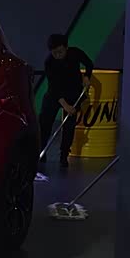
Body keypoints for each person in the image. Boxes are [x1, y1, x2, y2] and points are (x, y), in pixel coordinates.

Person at [39, 33, 94, 167]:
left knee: (69, 126)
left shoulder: (75, 53)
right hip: (54, 95)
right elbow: (54, 87)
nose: (58, 55)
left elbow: (89, 63)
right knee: (45, 123)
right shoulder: (49, 62)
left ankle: (64, 155)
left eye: (60, 52)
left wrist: (87, 77)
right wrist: (66, 106)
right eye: (54, 53)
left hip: (72, 93)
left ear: (66, 48)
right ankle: (41, 152)